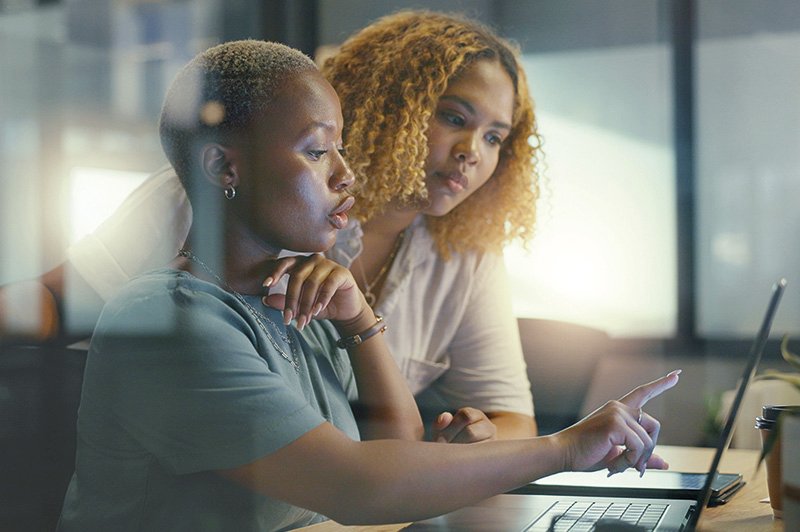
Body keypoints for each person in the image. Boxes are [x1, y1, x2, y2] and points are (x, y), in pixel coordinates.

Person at [56, 38, 680, 532]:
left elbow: (398, 450)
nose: (347, 176)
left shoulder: (295, 300)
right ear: (224, 166)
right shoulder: (168, 318)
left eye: (342, 150)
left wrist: (360, 322)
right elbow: (358, 487)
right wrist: (563, 450)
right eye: (317, 152)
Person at [4, 10, 541, 440]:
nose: (473, 153)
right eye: (454, 118)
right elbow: (52, 302)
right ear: (389, 106)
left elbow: (510, 419)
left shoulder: (468, 250)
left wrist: (476, 442)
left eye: (495, 137)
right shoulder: (211, 199)